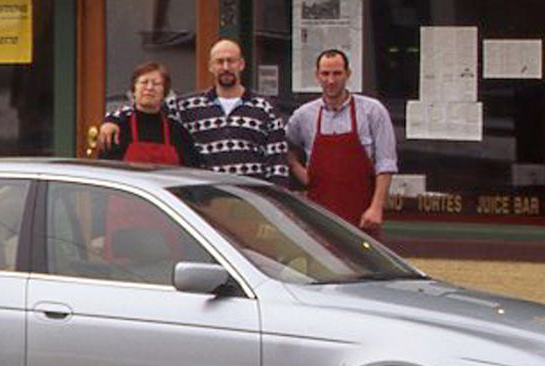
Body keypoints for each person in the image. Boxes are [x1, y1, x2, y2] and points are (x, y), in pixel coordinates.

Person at [98, 39, 288, 186]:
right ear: (211, 66)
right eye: (220, 62)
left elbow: (278, 162)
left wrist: (276, 207)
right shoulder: (189, 105)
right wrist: (112, 119)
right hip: (208, 199)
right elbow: (147, 106)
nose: (226, 67)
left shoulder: (264, 107)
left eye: (231, 61)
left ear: (242, 64)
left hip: (251, 199)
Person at [286, 49, 397, 236]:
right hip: (319, 215)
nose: (331, 80)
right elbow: (282, 144)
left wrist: (376, 207)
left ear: (348, 74)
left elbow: (386, 163)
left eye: (337, 73)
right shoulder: (303, 116)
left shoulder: (372, 111)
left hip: (362, 216)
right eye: (325, 74)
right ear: (317, 76)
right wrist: (299, 170)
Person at [99, 62, 203, 167]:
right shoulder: (118, 126)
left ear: (164, 93)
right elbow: (107, 170)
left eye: (156, 84)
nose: (149, 88)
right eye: (144, 82)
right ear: (134, 90)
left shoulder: (176, 130)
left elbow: (191, 168)